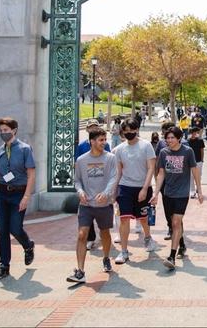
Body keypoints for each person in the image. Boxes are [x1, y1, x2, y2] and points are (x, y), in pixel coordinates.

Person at [68, 126, 118, 283]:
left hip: (104, 204)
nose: (104, 142)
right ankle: (80, 271)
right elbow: (77, 180)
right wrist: (80, 191)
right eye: (100, 140)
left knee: (105, 233)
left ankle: (106, 257)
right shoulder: (81, 160)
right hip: (86, 205)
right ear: (92, 141)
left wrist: (106, 193)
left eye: (105, 140)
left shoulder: (110, 158)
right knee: (82, 235)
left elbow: (113, 178)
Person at [0, 117, 36, 281]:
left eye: (6, 130)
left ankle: (28, 245)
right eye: (1, 131)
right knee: (2, 231)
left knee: (15, 228)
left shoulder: (24, 149)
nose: (4, 133)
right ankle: (4, 265)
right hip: (2, 193)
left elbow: (31, 174)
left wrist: (26, 196)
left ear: (14, 130)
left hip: (18, 192)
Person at [150, 127, 202, 271]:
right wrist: (156, 193)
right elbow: (160, 174)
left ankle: (171, 256)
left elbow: (194, 170)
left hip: (182, 193)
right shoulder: (163, 152)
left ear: (179, 138)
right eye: (167, 138)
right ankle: (182, 244)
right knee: (172, 223)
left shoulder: (187, 151)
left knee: (176, 221)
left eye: (172, 138)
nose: (169, 140)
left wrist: (199, 190)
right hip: (168, 193)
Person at [113, 118, 158, 265]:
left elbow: (151, 168)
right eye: (126, 131)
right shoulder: (119, 149)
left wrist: (145, 188)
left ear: (137, 130)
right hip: (125, 188)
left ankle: (147, 238)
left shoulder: (146, 146)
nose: (129, 133)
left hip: (143, 187)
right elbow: (118, 171)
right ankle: (124, 251)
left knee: (143, 218)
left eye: (132, 131)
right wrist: (115, 190)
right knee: (124, 218)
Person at [75, 120, 111, 250]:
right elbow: (77, 164)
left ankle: (105, 243)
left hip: (102, 188)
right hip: (87, 187)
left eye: (95, 126)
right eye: (90, 127)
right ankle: (90, 238)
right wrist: (80, 188)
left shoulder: (104, 145)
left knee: (104, 227)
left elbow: (110, 165)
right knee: (85, 222)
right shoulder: (81, 147)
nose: (93, 128)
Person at [187, 127, 205, 199]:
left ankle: (198, 188)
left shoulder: (200, 140)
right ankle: (192, 191)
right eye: (192, 133)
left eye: (195, 132)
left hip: (198, 161)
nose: (194, 134)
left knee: (198, 175)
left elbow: (202, 150)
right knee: (191, 176)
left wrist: (202, 159)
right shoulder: (187, 141)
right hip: (190, 162)